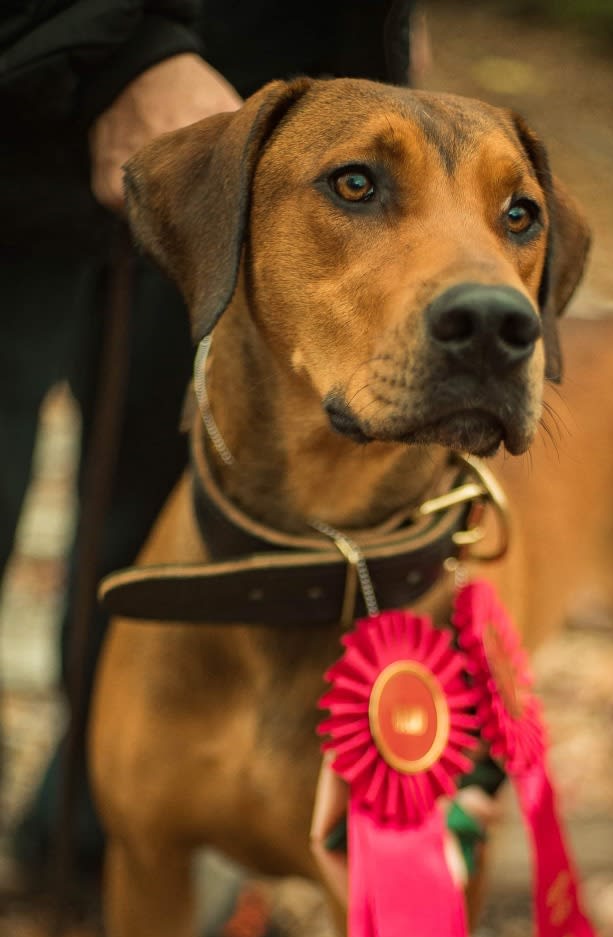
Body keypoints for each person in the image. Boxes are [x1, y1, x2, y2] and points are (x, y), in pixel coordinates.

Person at [0, 0, 416, 879]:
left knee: (168, 500)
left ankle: (91, 833)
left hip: (249, 135)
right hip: (48, 98)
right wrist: (130, 56)